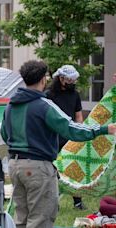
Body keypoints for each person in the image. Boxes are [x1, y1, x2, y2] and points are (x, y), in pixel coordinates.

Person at [0, 60, 116, 228]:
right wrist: (104, 129)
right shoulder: (43, 105)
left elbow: (4, 134)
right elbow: (71, 129)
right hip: (38, 168)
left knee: (21, 219)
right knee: (41, 219)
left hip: (14, 166)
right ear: (42, 80)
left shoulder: (11, 105)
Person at [46, 65, 85, 210]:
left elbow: (79, 116)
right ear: (61, 79)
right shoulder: (49, 95)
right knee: (53, 172)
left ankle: (78, 202)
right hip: (53, 140)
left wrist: (78, 134)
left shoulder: (75, 95)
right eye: (70, 79)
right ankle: (53, 202)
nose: (72, 82)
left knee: (74, 170)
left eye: (74, 80)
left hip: (70, 139)